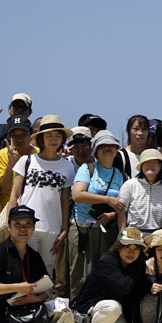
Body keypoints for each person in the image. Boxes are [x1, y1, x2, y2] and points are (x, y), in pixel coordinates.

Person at [7, 115, 74, 279]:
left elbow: (65, 201)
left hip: (53, 228)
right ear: (41, 138)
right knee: (24, 270)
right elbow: (14, 196)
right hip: (26, 226)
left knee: (46, 273)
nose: (54, 139)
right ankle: (22, 304)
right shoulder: (27, 161)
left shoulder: (67, 166)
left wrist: (64, 229)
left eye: (58, 135)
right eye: (49, 135)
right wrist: (10, 225)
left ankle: (42, 304)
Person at [72, 227, 147, 323]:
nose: (131, 253)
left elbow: (138, 291)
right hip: (91, 308)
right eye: (127, 247)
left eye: (136, 249)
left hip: (114, 312)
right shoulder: (107, 261)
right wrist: (138, 266)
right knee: (113, 307)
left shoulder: (138, 262)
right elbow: (125, 286)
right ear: (118, 247)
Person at [70, 130, 126, 298]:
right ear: (95, 150)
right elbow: (77, 195)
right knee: (79, 275)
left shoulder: (122, 175)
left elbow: (125, 207)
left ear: (117, 149)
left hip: (107, 231)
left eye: (111, 146)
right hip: (82, 229)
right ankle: (77, 314)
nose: (107, 149)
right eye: (103, 146)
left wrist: (111, 216)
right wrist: (107, 200)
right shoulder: (87, 169)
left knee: (104, 274)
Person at [57, 126, 93, 299]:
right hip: (63, 225)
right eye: (75, 145)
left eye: (84, 144)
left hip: (91, 226)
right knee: (63, 275)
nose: (80, 150)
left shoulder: (99, 165)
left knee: (88, 272)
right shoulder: (63, 164)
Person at [117, 149, 162, 235]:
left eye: (155, 162)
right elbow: (122, 213)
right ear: (141, 166)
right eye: (147, 162)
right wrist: (122, 235)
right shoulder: (129, 185)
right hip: (133, 235)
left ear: (160, 167)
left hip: (156, 236)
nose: (151, 165)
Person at [0, 115, 39, 211]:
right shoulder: (1, 155)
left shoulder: (39, 154)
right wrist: (11, 164)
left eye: (24, 134)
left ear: (31, 134)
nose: (19, 139)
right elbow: (3, 190)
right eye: (14, 135)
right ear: (9, 136)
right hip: (10, 214)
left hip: (35, 212)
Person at [114, 115, 150, 179]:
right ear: (128, 131)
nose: (140, 133)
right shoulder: (119, 157)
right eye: (136, 129)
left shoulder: (153, 157)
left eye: (144, 129)